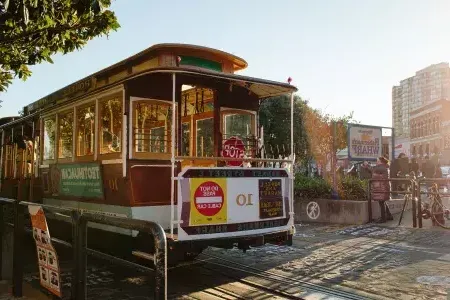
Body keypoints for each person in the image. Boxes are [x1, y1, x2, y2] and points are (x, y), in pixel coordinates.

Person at [371, 156, 393, 222]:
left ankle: (383, 219)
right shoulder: (385, 166)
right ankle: (389, 215)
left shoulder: (381, 167)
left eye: (377, 160)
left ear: (380, 161)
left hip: (382, 187)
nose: (376, 162)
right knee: (383, 201)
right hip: (384, 186)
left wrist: (366, 166)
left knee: (381, 202)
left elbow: (373, 170)